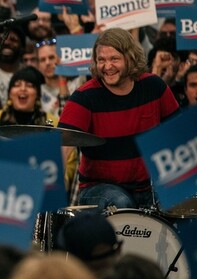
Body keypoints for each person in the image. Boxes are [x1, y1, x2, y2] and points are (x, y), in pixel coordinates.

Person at [59, 28, 180, 210]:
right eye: (102, 60)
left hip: (148, 186)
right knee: (123, 204)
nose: (107, 67)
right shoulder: (84, 97)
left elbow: (179, 130)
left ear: (130, 58)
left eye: (114, 59)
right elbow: (63, 144)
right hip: (97, 189)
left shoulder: (154, 86)